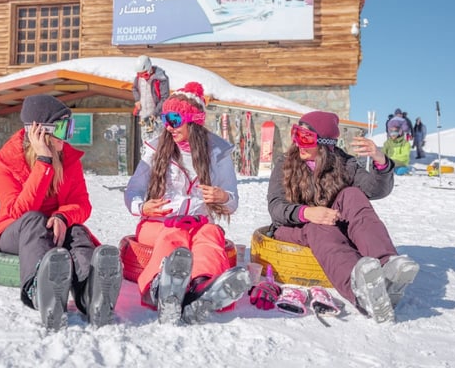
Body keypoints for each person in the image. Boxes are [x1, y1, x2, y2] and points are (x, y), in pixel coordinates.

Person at [0, 94, 122, 330]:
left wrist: (63, 217)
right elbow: (17, 211)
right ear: (40, 132)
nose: (67, 137)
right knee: (34, 219)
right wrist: (43, 162)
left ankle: (91, 295)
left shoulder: (70, 159)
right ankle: (40, 291)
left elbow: (82, 204)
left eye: (69, 128)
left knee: (78, 230)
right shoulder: (5, 161)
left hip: (54, 229)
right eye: (62, 129)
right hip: (16, 231)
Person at [266, 111, 419, 323]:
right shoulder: (285, 163)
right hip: (293, 226)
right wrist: (308, 213)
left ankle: (387, 268)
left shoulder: (342, 163)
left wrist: (380, 160)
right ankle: (358, 288)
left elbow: (375, 190)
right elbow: (276, 207)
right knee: (319, 227)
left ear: (325, 144)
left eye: (306, 137)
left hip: (330, 222)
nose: (298, 143)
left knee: (353, 195)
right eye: (296, 134)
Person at [124, 81, 250, 325]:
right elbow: (134, 190)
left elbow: (232, 201)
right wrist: (142, 207)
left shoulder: (216, 152)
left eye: (174, 119)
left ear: (193, 120)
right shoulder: (156, 148)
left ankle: (202, 288)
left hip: (198, 223)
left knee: (211, 234)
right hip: (159, 222)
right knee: (175, 236)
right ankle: (158, 288)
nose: (168, 127)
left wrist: (222, 197)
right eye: (165, 119)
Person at [132, 55, 170, 145]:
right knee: (146, 143)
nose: (142, 77)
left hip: (157, 116)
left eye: (144, 74)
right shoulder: (138, 79)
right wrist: (137, 100)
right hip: (144, 115)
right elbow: (134, 89)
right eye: (139, 75)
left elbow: (165, 98)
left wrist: (155, 114)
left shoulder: (161, 79)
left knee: (157, 142)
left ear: (149, 69)